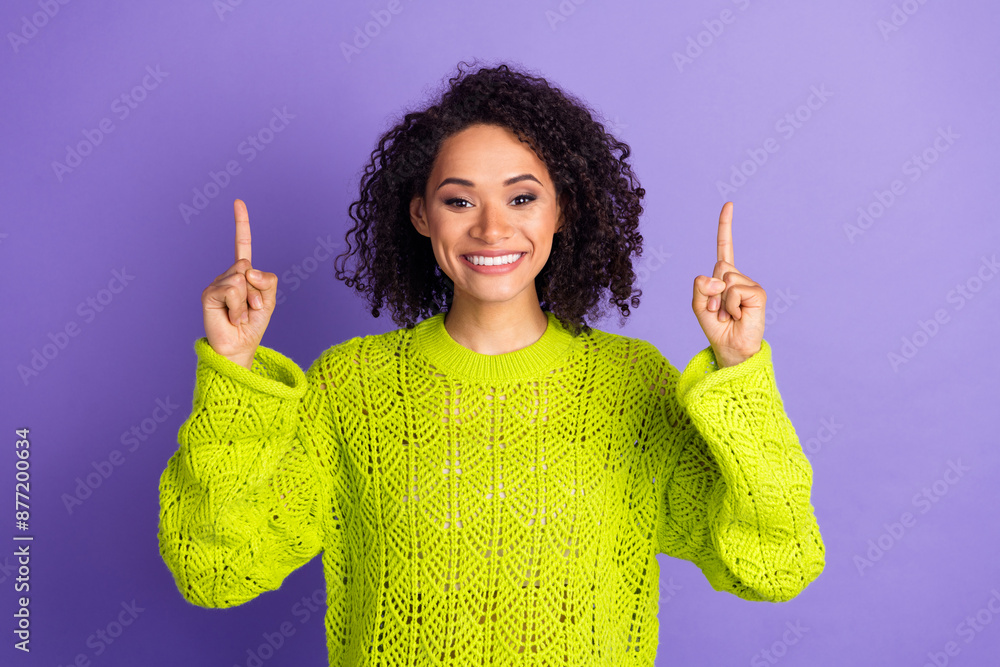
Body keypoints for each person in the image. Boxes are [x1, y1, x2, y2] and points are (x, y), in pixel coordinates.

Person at [158, 60, 825, 666]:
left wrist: (740, 374)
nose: (491, 229)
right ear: (421, 215)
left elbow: (778, 564)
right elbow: (215, 568)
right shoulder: (350, 386)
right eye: (459, 200)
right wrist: (233, 369)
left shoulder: (631, 384)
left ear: (563, 208)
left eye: (522, 197)